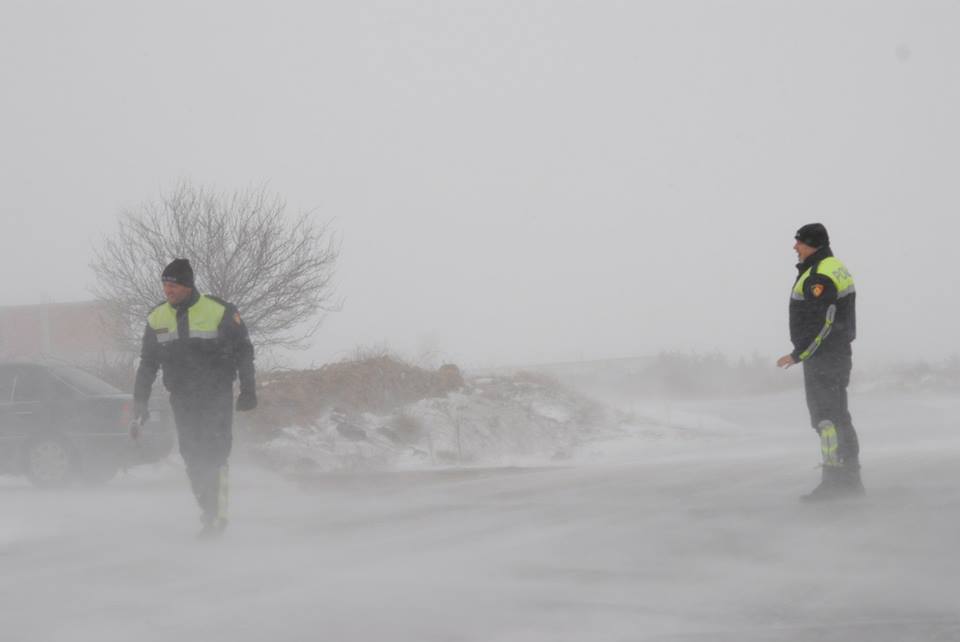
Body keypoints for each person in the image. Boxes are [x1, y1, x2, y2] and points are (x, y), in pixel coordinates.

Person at [133, 258, 257, 536]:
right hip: (182, 398)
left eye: (173, 284)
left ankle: (217, 517)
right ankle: (207, 509)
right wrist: (139, 401)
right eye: (164, 284)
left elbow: (244, 350)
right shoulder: (157, 318)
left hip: (216, 396)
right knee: (191, 456)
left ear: (187, 285)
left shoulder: (219, 310)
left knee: (215, 454)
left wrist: (249, 389)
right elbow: (148, 363)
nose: (168, 290)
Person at [777, 223, 864, 501]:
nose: (795, 247)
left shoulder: (819, 275)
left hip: (824, 356)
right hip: (834, 355)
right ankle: (849, 479)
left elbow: (825, 323)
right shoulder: (831, 266)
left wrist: (800, 353)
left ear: (812, 243)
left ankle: (836, 483)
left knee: (826, 419)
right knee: (838, 416)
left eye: (799, 242)